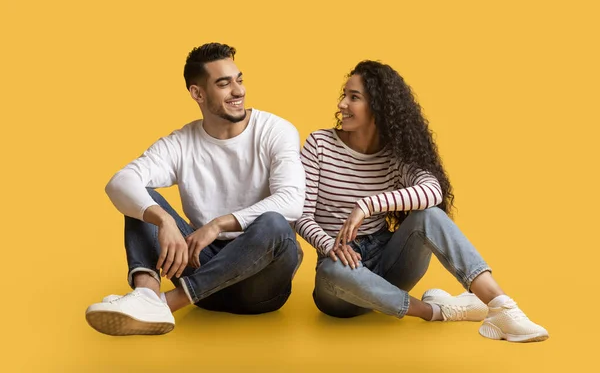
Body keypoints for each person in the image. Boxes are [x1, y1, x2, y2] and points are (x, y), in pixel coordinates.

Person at [295, 60, 548, 342]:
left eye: (354, 97)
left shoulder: (394, 155)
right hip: (339, 277)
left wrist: (366, 204)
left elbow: (432, 191)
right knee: (332, 271)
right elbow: (301, 215)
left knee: (429, 215)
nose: (342, 104)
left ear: (378, 106)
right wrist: (330, 245)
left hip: (387, 261)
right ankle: (438, 311)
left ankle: (502, 307)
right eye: (344, 94)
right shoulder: (319, 144)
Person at [85, 43, 305, 336]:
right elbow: (120, 182)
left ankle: (164, 303)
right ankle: (146, 296)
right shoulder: (181, 142)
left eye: (239, 79)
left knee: (275, 223)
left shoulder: (275, 130)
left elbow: (291, 202)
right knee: (144, 199)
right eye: (224, 84)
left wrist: (218, 224)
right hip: (204, 272)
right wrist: (162, 219)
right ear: (197, 93)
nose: (238, 91)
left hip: (261, 286)